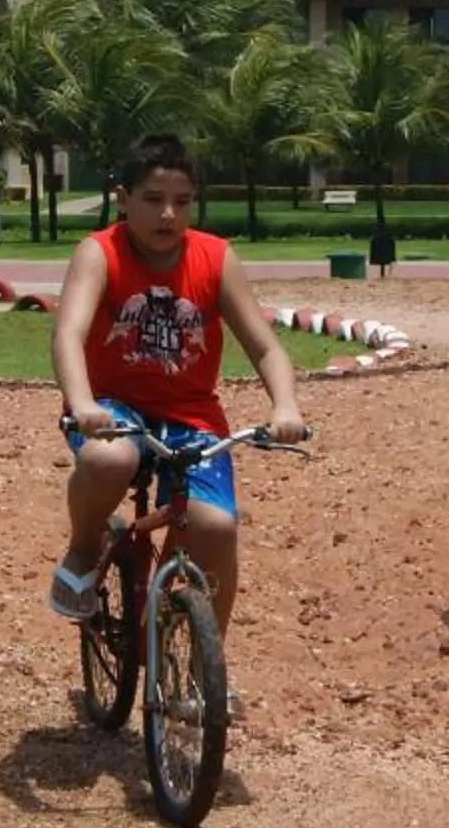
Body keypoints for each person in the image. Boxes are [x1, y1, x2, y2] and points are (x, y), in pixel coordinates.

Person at [48, 131, 309, 639]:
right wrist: (80, 402)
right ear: (123, 199)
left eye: (182, 202)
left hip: (191, 418)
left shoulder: (215, 257)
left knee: (216, 528)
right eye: (152, 199)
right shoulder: (99, 252)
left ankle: (205, 665)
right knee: (109, 460)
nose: (168, 214)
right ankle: (84, 547)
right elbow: (69, 333)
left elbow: (265, 347)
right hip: (112, 408)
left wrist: (285, 406)